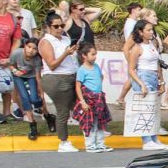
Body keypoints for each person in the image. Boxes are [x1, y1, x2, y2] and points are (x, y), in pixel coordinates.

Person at [38, 11, 80, 152]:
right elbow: (52, 64)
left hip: (71, 76)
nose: (60, 29)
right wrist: (65, 53)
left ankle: (92, 130)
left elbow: (72, 59)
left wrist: (74, 51)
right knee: (63, 111)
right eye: (56, 26)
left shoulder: (65, 39)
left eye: (62, 25)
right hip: (56, 78)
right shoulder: (46, 41)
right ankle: (63, 141)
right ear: (48, 27)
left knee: (80, 106)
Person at [126, 19, 168, 150]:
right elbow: (131, 69)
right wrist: (141, 84)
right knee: (144, 110)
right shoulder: (137, 48)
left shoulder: (152, 44)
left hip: (153, 76)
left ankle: (153, 138)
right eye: (148, 30)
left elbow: (157, 63)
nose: (151, 32)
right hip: (143, 76)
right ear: (140, 32)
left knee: (153, 109)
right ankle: (147, 140)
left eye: (152, 30)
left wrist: (161, 81)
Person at [72, 43, 112, 153]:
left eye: (96, 54)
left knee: (99, 122)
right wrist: (83, 102)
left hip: (98, 99)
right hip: (88, 99)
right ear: (84, 56)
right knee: (89, 123)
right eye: (92, 54)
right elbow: (78, 86)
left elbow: (101, 77)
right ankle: (90, 145)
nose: (95, 56)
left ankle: (100, 144)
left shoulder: (96, 67)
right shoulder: (82, 70)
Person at [9, 37, 44, 140]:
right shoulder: (17, 53)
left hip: (31, 76)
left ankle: (41, 109)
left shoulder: (37, 59)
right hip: (18, 76)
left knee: (34, 98)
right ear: (25, 46)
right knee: (25, 97)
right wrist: (15, 71)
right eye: (29, 47)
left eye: (34, 49)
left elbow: (38, 77)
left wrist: (41, 92)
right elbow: (11, 65)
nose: (31, 50)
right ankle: (32, 124)